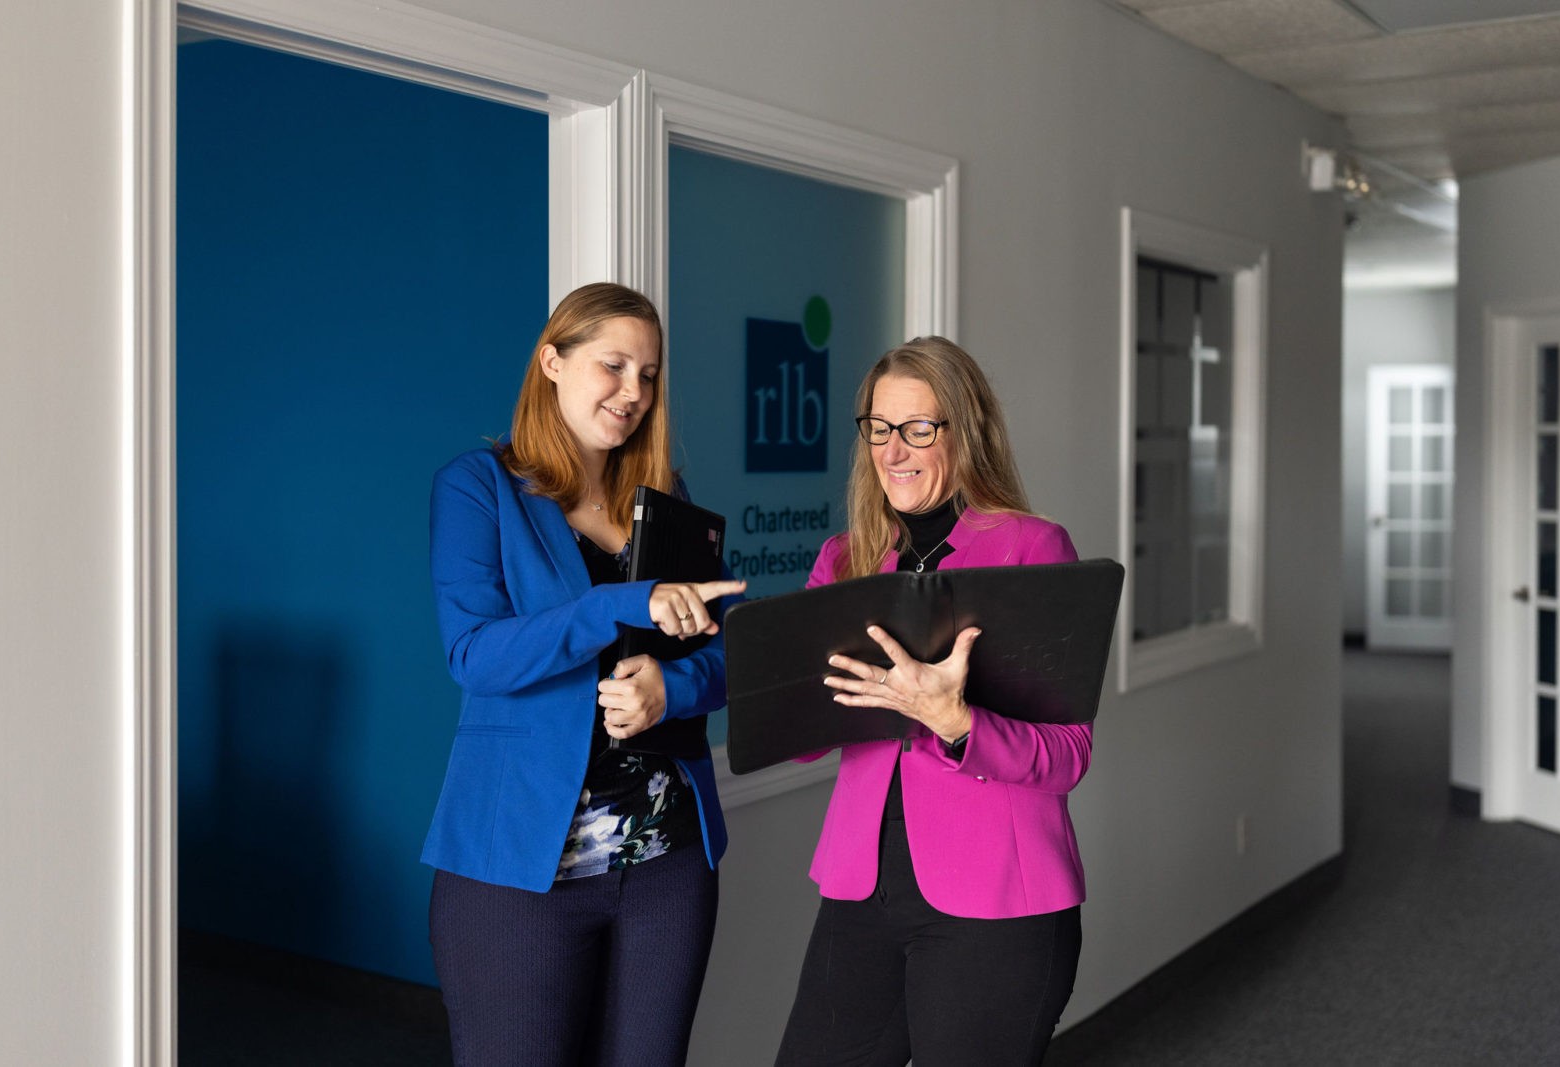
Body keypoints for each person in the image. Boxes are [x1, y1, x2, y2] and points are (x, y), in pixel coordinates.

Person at [423, 282, 745, 1066]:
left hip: (667, 868)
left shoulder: (664, 499)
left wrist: (673, 687)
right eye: (614, 365)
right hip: (521, 876)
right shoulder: (479, 487)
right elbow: (476, 652)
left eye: (649, 373)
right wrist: (618, 604)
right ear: (553, 362)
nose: (633, 391)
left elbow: (727, 652)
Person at [775, 336, 1091, 1067]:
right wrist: (781, 675)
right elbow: (801, 733)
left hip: (997, 901)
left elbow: (1070, 754)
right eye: (880, 428)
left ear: (966, 430)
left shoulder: (1033, 549)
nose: (894, 449)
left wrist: (956, 720)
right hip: (862, 889)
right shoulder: (845, 557)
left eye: (920, 428)